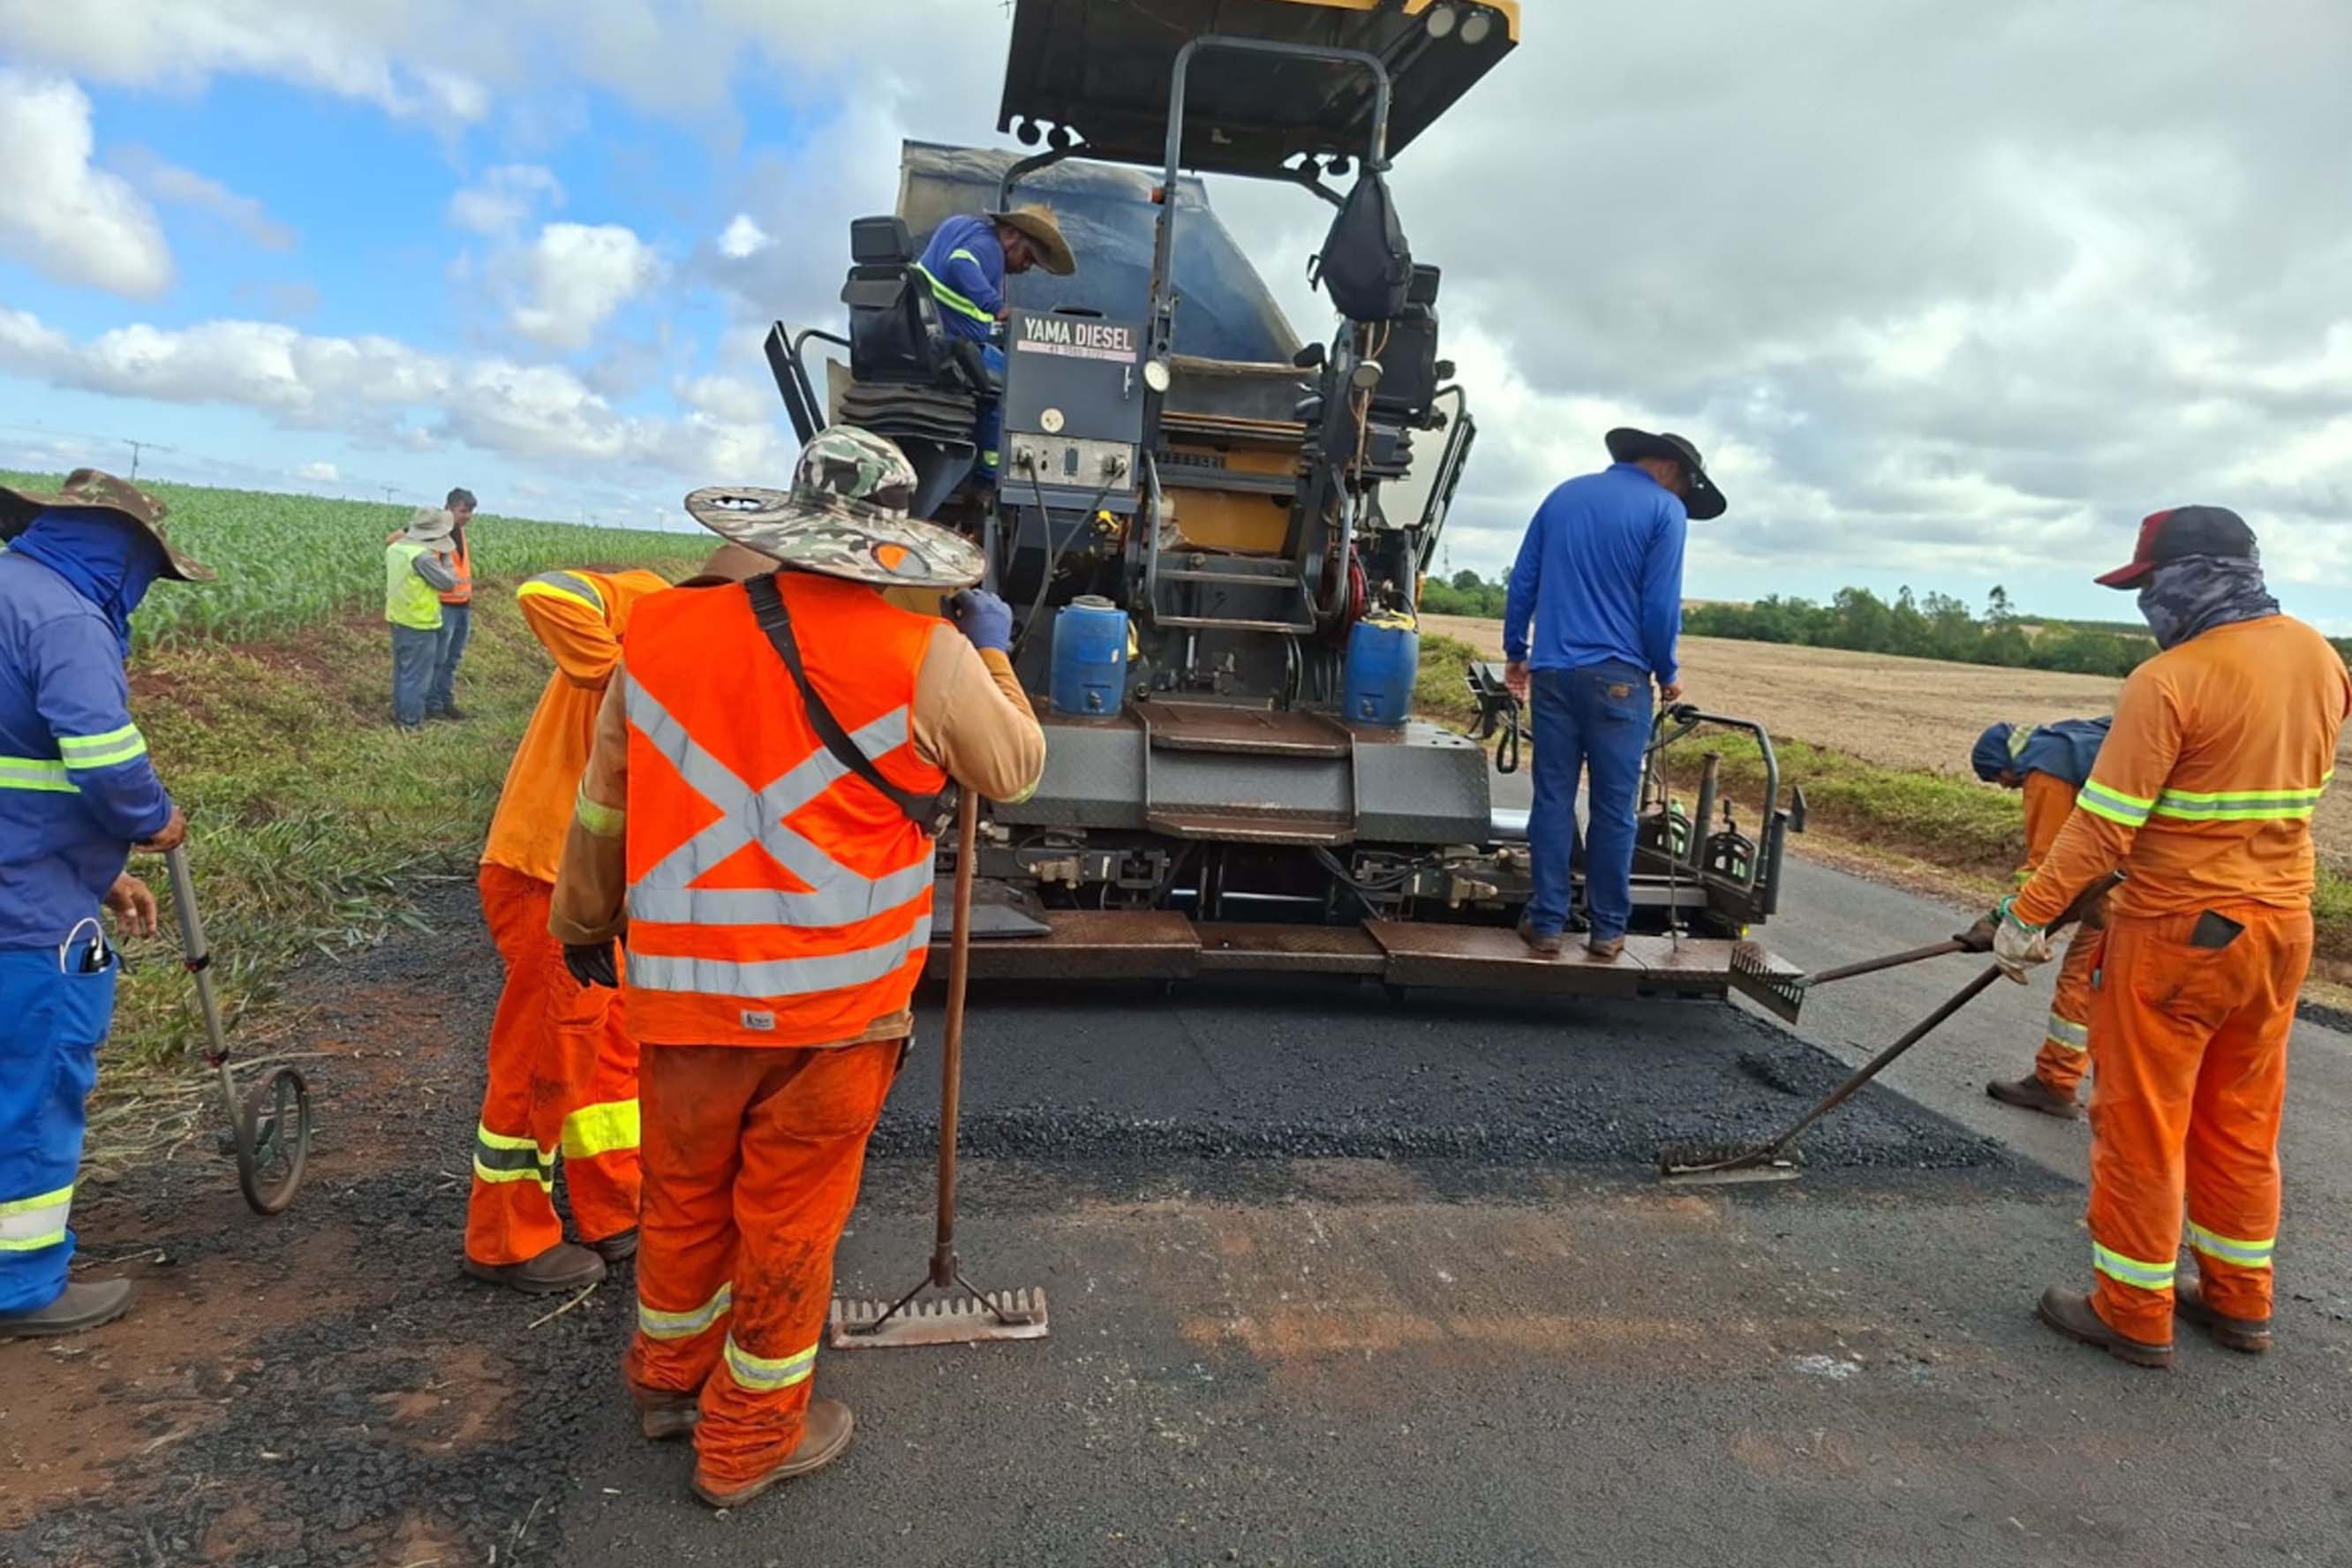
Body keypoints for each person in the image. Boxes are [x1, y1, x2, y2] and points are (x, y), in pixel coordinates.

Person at [549, 426, 1045, 1508]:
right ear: (886, 547)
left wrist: (581, 919)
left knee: (684, 1200)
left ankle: (670, 1386)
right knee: (790, 1222)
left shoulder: (662, 633)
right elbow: (1012, 768)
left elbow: (604, 804)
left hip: (683, 995)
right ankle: (748, 1442)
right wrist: (993, 651)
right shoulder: (927, 656)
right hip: (834, 1011)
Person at [1994, 507, 2350, 1368]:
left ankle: (2132, 1309)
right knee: (2240, 1119)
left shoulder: (2170, 678)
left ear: (2190, 575)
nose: (2146, 602)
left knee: (2144, 1123)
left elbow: (2101, 832)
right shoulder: (2321, 660)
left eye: (2149, 584)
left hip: (2179, 932)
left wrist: (2027, 917)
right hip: (2281, 929)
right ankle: (2238, 1299)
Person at [0, 469, 206, 1338]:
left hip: (29, 868)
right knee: (36, 1080)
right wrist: (152, 822)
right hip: (26, 912)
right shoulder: (69, 620)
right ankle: (23, 1285)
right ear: (123, 555)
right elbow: (102, 761)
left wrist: (99, 872)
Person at [463, 564, 674, 1294]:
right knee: (542, 1060)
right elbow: (546, 591)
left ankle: (615, 1210)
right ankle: (506, 1236)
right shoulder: (653, 604)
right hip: (549, 874)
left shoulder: (723, 658)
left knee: (610, 1051)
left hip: (603, 886)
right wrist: (624, 682)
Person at [1503, 427, 1724, 960]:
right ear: (1673, 471)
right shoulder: (1664, 511)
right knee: (1614, 808)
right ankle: (1606, 931)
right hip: (1620, 681)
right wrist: (1667, 670)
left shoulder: (1563, 495)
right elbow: (1659, 606)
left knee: (1553, 798)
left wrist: (1517, 649)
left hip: (1553, 675)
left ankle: (1548, 923)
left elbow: (1524, 580)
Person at [1970, 715, 2114, 1118]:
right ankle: (2063, 1082)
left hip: (2128, 894)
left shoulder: (2048, 770)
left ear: (2006, 764)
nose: (2005, 787)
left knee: (2083, 984)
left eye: (1998, 778)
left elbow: (2047, 865)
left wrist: (2007, 920)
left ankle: (2057, 1084)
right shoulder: (2076, 736)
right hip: (2136, 880)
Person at [910, 205, 1076, 486]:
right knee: (1016, 380)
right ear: (1011, 234)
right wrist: (997, 307)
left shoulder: (959, 223)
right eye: (1028, 256)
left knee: (999, 364)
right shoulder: (990, 250)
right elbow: (960, 263)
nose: (1027, 267)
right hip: (950, 346)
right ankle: (991, 472)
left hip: (924, 339)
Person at [386, 508, 458, 730]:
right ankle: (410, 723)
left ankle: (401, 715)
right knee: (417, 677)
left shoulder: (396, 548)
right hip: (420, 622)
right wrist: (446, 557)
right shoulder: (423, 557)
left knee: (403, 672)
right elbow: (448, 583)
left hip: (399, 617)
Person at [427, 487, 477, 720]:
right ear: (449, 508)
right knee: (439, 659)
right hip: (444, 605)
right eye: (463, 511)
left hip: (462, 605)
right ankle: (434, 706)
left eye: (470, 511)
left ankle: (446, 701)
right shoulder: (438, 533)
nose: (468, 516)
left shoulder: (458, 531)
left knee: (453, 658)